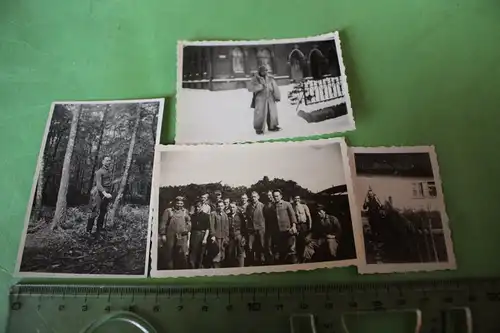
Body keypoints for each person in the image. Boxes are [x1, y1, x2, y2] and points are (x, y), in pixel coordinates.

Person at [248, 65, 281, 135]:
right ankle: (259, 129)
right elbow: (250, 88)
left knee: (272, 113)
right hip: (260, 99)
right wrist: (260, 86)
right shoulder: (255, 79)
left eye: (266, 71)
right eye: (263, 71)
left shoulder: (270, 78)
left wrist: (277, 96)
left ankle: (273, 126)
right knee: (260, 114)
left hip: (270, 98)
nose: (265, 72)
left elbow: (275, 87)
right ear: (260, 71)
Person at [159, 196, 191, 270]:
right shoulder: (168, 211)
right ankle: (170, 269)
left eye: (181, 203)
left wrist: (187, 229)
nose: (179, 205)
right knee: (169, 253)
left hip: (182, 236)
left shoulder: (185, 211)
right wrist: (163, 234)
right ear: (174, 203)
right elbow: (163, 223)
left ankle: (181, 269)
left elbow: (189, 222)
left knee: (182, 253)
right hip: (171, 235)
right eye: (178, 203)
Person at [87, 156, 113, 236]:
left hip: (106, 195)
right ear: (103, 162)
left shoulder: (109, 172)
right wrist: (105, 193)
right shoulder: (99, 172)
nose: (108, 162)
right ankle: (88, 231)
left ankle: (99, 230)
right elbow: (98, 185)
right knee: (94, 212)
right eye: (107, 160)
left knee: (103, 212)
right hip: (98, 193)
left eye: (109, 161)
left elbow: (109, 183)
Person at [273, 190, 298, 264]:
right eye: (274, 196)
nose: (276, 198)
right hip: (279, 232)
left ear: (281, 196)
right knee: (282, 250)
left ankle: (295, 266)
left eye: (277, 196)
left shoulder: (287, 204)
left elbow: (292, 215)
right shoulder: (273, 206)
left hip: (288, 230)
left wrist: (293, 226)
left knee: (291, 249)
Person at [245, 191, 266, 265]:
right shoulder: (248, 207)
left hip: (261, 229)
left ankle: (262, 261)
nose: (253, 198)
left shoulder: (262, 206)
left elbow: (265, 218)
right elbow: (247, 218)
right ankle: (252, 262)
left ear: (258, 197)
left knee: (261, 245)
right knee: (250, 247)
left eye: (255, 197)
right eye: (252, 197)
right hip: (251, 230)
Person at [188, 199, 210, 269]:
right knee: (193, 252)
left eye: (199, 207)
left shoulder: (206, 216)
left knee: (201, 253)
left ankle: (199, 267)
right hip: (194, 235)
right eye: (196, 207)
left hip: (202, 235)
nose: (197, 208)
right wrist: (188, 240)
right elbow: (190, 229)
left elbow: (207, 228)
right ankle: (192, 267)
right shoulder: (192, 216)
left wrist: (205, 239)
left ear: (202, 207)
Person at [209, 200, 229, 268]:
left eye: (222, 206)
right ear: (216, 206)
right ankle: (215, 267)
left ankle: (221, 266)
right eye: (219, 206)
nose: (220, 207)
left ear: (224, 206)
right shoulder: (213, 214)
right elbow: (212, 225)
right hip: (216, 236)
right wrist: (213, 235)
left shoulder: (225, 215)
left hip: (223, 236)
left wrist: (226, 236)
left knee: (222, 251)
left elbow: (226, 227)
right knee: (216, 251)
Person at [291, 195, 312, 262]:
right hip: (298, 225)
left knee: (304, 240)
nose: (297, 200)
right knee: (298, 241)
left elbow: (309, 216)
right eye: (295, 198)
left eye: (298, 198)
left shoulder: (304, 206)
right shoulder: (293, 207)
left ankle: (305, 257)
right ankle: (299, 257)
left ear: (300, 199)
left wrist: (310, 226)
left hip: (304, 225)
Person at [227, 202, 246, 267]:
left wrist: (243, 236)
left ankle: (241, 267)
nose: (232, 209)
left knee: (240, 251)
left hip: (239, 234)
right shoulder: (228, 215)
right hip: (231, 235)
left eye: (233, 207)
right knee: (230, 251)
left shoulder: (240, 215)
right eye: (231, 207)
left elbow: (244, 226)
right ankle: (233, 267)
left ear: (236, 208)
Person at [263, 191, 277, 263]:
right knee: (268, 245)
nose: (269, 196)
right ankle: (270, 261)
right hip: (268, 228)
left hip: (277, 228)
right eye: (268, 195)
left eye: (270, 195)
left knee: (276, 244)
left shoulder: (276, 204)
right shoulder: (265, 205)